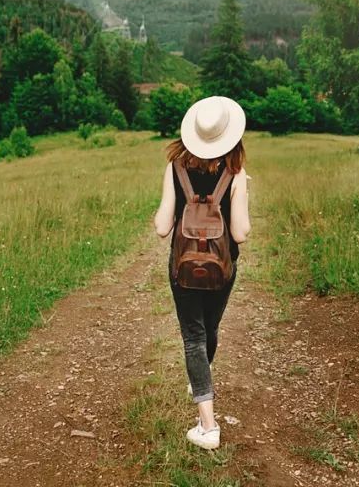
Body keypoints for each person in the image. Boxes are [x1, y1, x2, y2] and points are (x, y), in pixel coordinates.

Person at [153, 95, 251, 450]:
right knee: (209, 330)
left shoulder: (175, 168)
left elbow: (163, 226)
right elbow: (240, 233)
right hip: (222, 269)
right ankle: (203, 393)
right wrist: (241, 194)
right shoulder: (236, 173)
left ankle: (208, 426)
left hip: (182, 269)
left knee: (193, 336)